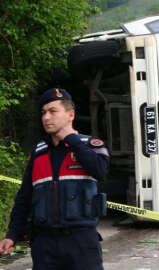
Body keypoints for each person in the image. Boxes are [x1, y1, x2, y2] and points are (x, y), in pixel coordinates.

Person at [0, 88, 109, 269]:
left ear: (70, 114)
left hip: (81, 241)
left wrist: (71, 140)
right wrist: (12, 234)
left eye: (53, 111)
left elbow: (100, 170)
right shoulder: (38, 153)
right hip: (45, 245)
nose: (46, 117)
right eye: (43, 113)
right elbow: (24, 198)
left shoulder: (90, 145)